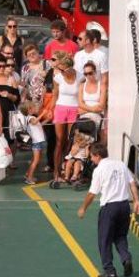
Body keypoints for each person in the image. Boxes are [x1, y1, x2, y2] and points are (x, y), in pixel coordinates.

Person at [78, 143, 139, 277]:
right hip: (124, 206)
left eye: (92, 157)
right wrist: (137, 200)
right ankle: (126, 258)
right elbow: (132, 183)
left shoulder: (99, 170)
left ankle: (110, 271)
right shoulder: (120, 164)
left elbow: (92, 193)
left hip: (109, 208)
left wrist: (83, 208)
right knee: (120, 236)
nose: (91, 159)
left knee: (104, 239)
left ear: (97, 155)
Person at [51, 52, 80, 187]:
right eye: (59, 69)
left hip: (74, 109)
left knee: (70, 140)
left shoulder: (80, 77)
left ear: (70, 68)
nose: (60, 71)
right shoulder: (58, 78)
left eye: (62, 69)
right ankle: (56, 172)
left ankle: (66, 170)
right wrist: (51, 111)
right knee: (59, 140)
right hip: (60, 108)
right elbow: (54, 95)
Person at [0, 55, 20, 155]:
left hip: (7, 112)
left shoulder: (11, 79)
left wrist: (8, 95)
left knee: (9, 139)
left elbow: (17, 99)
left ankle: (9, 161)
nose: (2, 68)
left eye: (4, 66)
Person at [78, 61, 107, 139]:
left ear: (95, 72)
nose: (88, 76)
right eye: (85, 74)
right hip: (84, 117)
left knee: (95, 140)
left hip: (97, 117)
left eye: (90, 73)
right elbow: (79, 104)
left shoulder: (102, 85)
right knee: (82, 140)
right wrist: (93, 109)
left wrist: (85, 109)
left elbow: (101, 106)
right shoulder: (81, 86)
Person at [20, 101, 46, 185]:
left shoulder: (33, 117)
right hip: (36, 142)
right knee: (36, 160)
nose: (36, 108)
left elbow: (39, 125)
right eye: (34, 107)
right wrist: (43, 114)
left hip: (39, 141)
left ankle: (28, 174)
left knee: (35, 160)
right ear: (29, 109)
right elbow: (35, 122)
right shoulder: (30, 118)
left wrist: (48, 119)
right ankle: (29, 178)